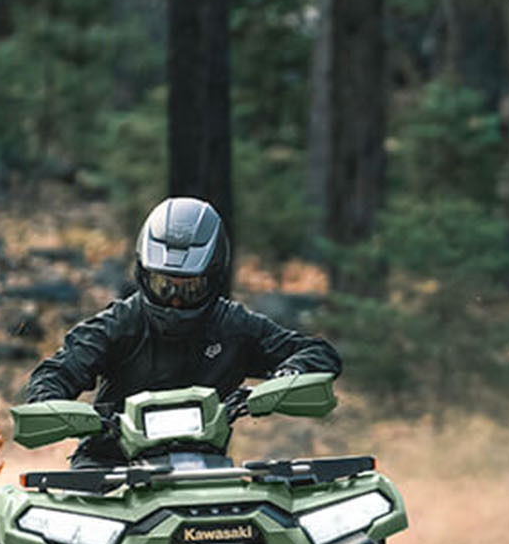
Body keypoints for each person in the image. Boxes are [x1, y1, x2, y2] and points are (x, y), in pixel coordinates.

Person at [25, 197, 341, 467]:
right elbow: (58, 371)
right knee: (66, 532)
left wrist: (290, 374)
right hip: (107, 468)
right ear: (143, 275)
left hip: (205, 472)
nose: (175, 300)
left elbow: (319, 352)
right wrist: (52, 405)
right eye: (164, 285)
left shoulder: (234, 325)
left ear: (214, 277)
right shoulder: (118, 323)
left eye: (189, 288)